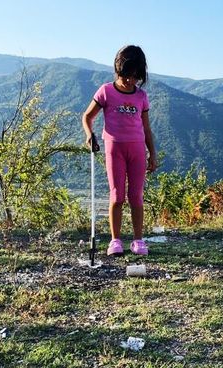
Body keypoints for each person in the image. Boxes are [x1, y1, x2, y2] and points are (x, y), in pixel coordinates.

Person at [82, 45, 157, 256]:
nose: (130, 80)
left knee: (136, 196)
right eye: (127, 75)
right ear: (118, 69)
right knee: (117, 196)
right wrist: (89, 134)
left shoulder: (141, 96)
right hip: (114, 148)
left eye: (135, 77)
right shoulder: (106, 91)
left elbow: (146, 127)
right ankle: (115, 241)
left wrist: (153, 153)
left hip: (137, 150)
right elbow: (87, 117)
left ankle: (138, 241)